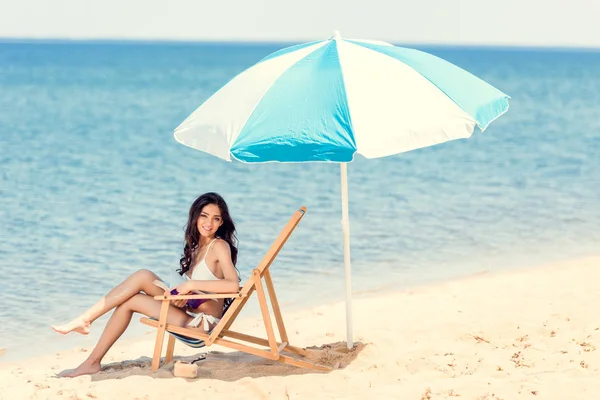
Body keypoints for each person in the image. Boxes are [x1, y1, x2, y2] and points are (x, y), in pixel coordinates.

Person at [51, 192, 240, 377]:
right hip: (191, 313)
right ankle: (89, 346)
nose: (209, 223)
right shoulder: (197, 247)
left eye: (216, 219)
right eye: (204, 216)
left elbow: (233, 285)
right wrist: (182, 297)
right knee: (139, 283)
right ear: (195, 216)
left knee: (138, 286)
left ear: (222, 222)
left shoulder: (219, 246)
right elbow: (203, 294)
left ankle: (87, 334)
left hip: (201, 327)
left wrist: (190, 287)